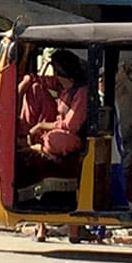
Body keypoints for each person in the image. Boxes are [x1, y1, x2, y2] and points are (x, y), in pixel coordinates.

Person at [17, 49, 90, 184]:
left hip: (72, 135)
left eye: (56, 71)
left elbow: (70, 126)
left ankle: (38, 147)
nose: (54, 75)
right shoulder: (60, 85)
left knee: (55, 140)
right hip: (55, 124)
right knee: (35, 88)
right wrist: (24, 84)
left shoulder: (81, 93)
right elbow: (38, 80)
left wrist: (41, 126)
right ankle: (25, 136)